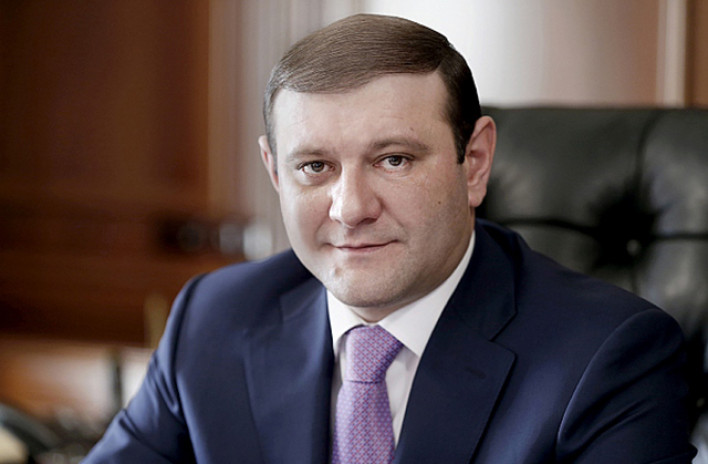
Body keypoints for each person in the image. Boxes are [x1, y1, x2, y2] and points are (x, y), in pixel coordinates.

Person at [83, 14, 696, 463]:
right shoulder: (215, 318)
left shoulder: (609, 357)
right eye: (314, 166)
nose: (350, 209)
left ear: (475, 162)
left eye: (393, 159)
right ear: (275, 172)